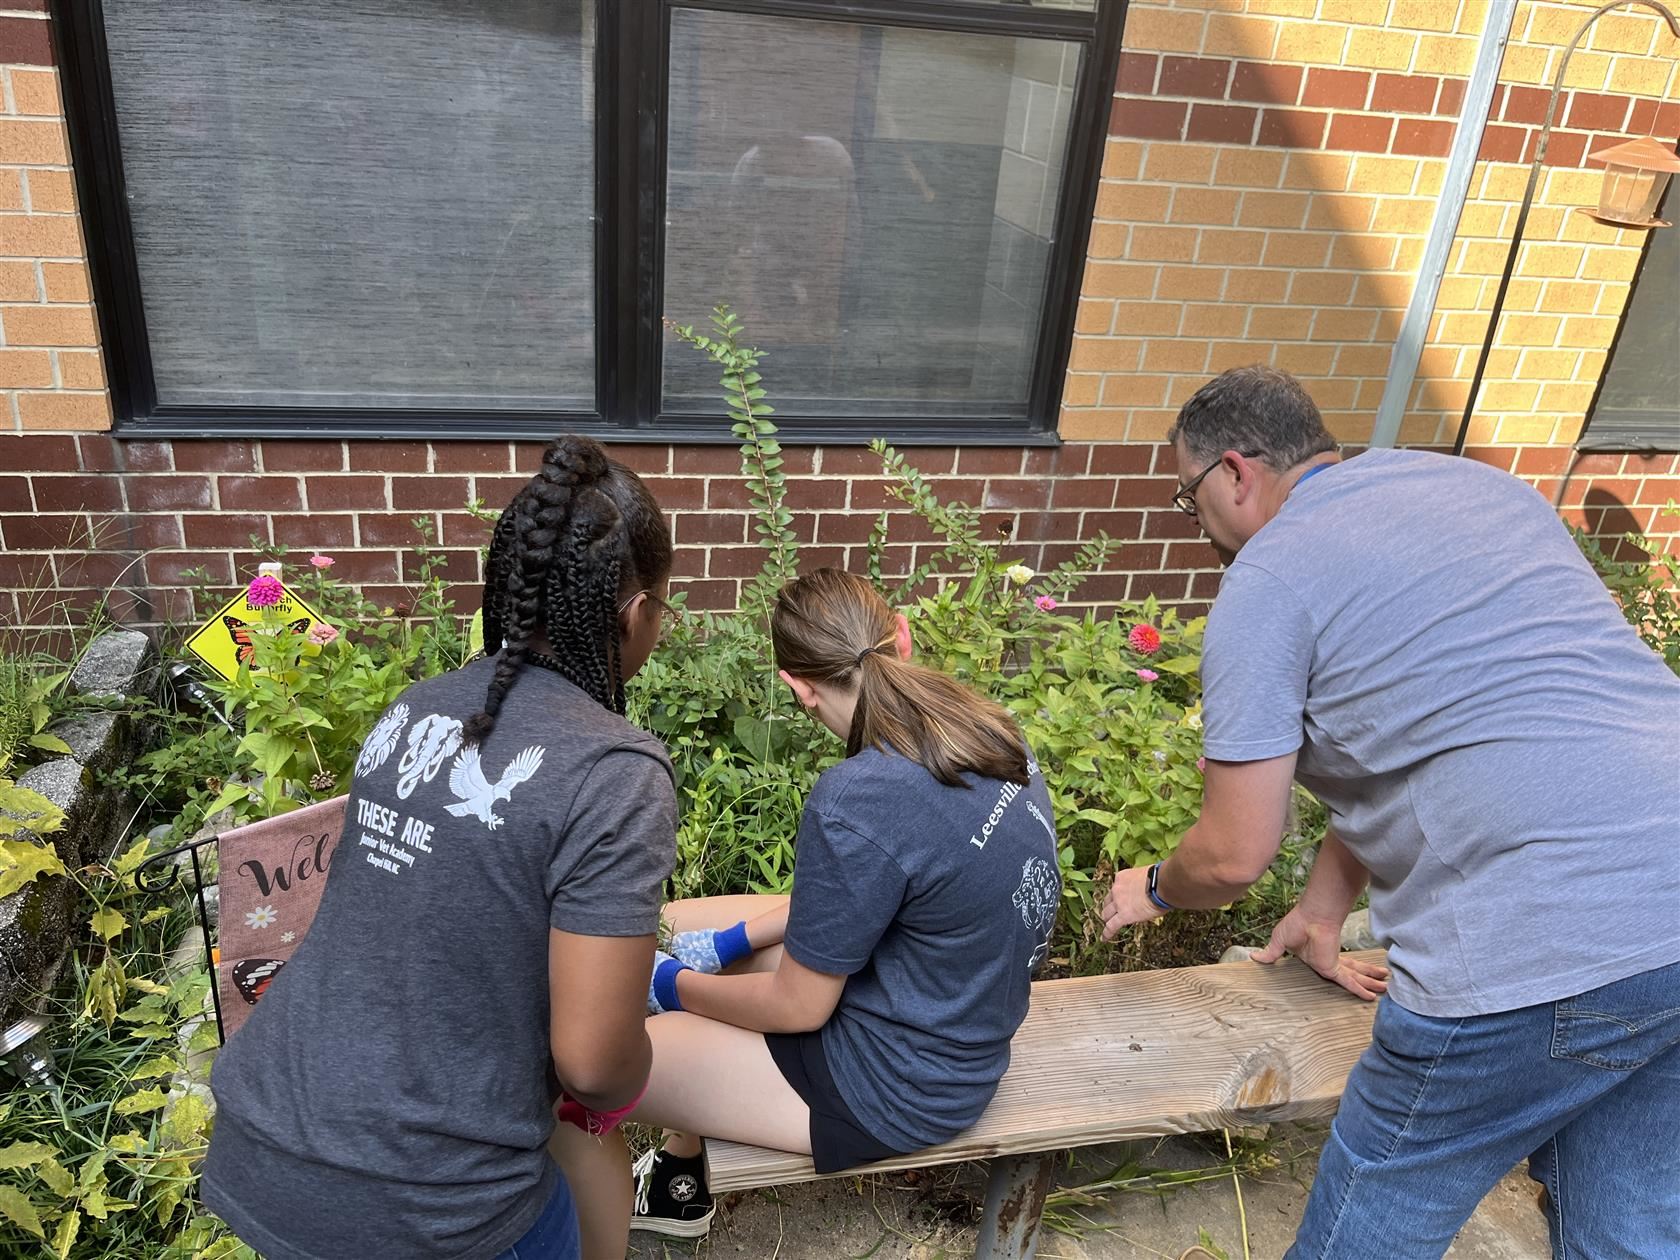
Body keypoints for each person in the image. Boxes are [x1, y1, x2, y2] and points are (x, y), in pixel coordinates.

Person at [1098, 364, 1680, 1260]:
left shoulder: (1271, 578)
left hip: (1543, 932)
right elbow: (1454, 729)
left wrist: (1156, 890)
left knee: (1384, 1196)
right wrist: (1323, 911)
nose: (1201, 524)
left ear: (1235, 472)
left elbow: (1232, 853)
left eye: (1189, 498)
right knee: (1628, 1222)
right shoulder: (1477, 491)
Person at [202, 436, 679, 1260]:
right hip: (433, 1207)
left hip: (265, 1138)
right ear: (637, 614)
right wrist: (634, 1078)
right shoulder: (615, 768)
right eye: (665, 611)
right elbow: (595, 1064)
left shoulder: (415, 707)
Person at [551, 567, 1062, 1258]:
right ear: (903, 636)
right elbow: (861, 899)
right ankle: (679, 1178)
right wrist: (725, 942)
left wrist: (672, 985)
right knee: (671, 921)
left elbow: (798, 1009)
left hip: (897, 1086)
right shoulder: (990, 732)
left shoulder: (857, 797)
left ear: (796, 687)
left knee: (580, 1075)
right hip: (953, 1021)